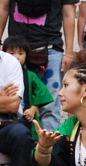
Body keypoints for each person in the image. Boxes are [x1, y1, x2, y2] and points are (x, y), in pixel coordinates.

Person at [0, 0, 79, 131]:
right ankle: (22, 144)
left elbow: (69, 13)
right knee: (13, 97)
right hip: (16, 50)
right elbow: (3, 7)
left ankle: (49, 147)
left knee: (51, 105)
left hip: (50, 48)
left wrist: (69, 52)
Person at [0, 47, 34, 166]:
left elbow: (13, 105)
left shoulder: (10, 63)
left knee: (21, 134)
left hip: (5, 125)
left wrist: (6, 101)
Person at [3, 36, 55, 138]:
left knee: (27, 139)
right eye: (11, 53)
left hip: (25, 116)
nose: (16, 57)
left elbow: (43, 92)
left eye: (21, 53)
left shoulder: (30, 75)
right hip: (4, 117)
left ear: (27, 55)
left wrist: (34, 108)